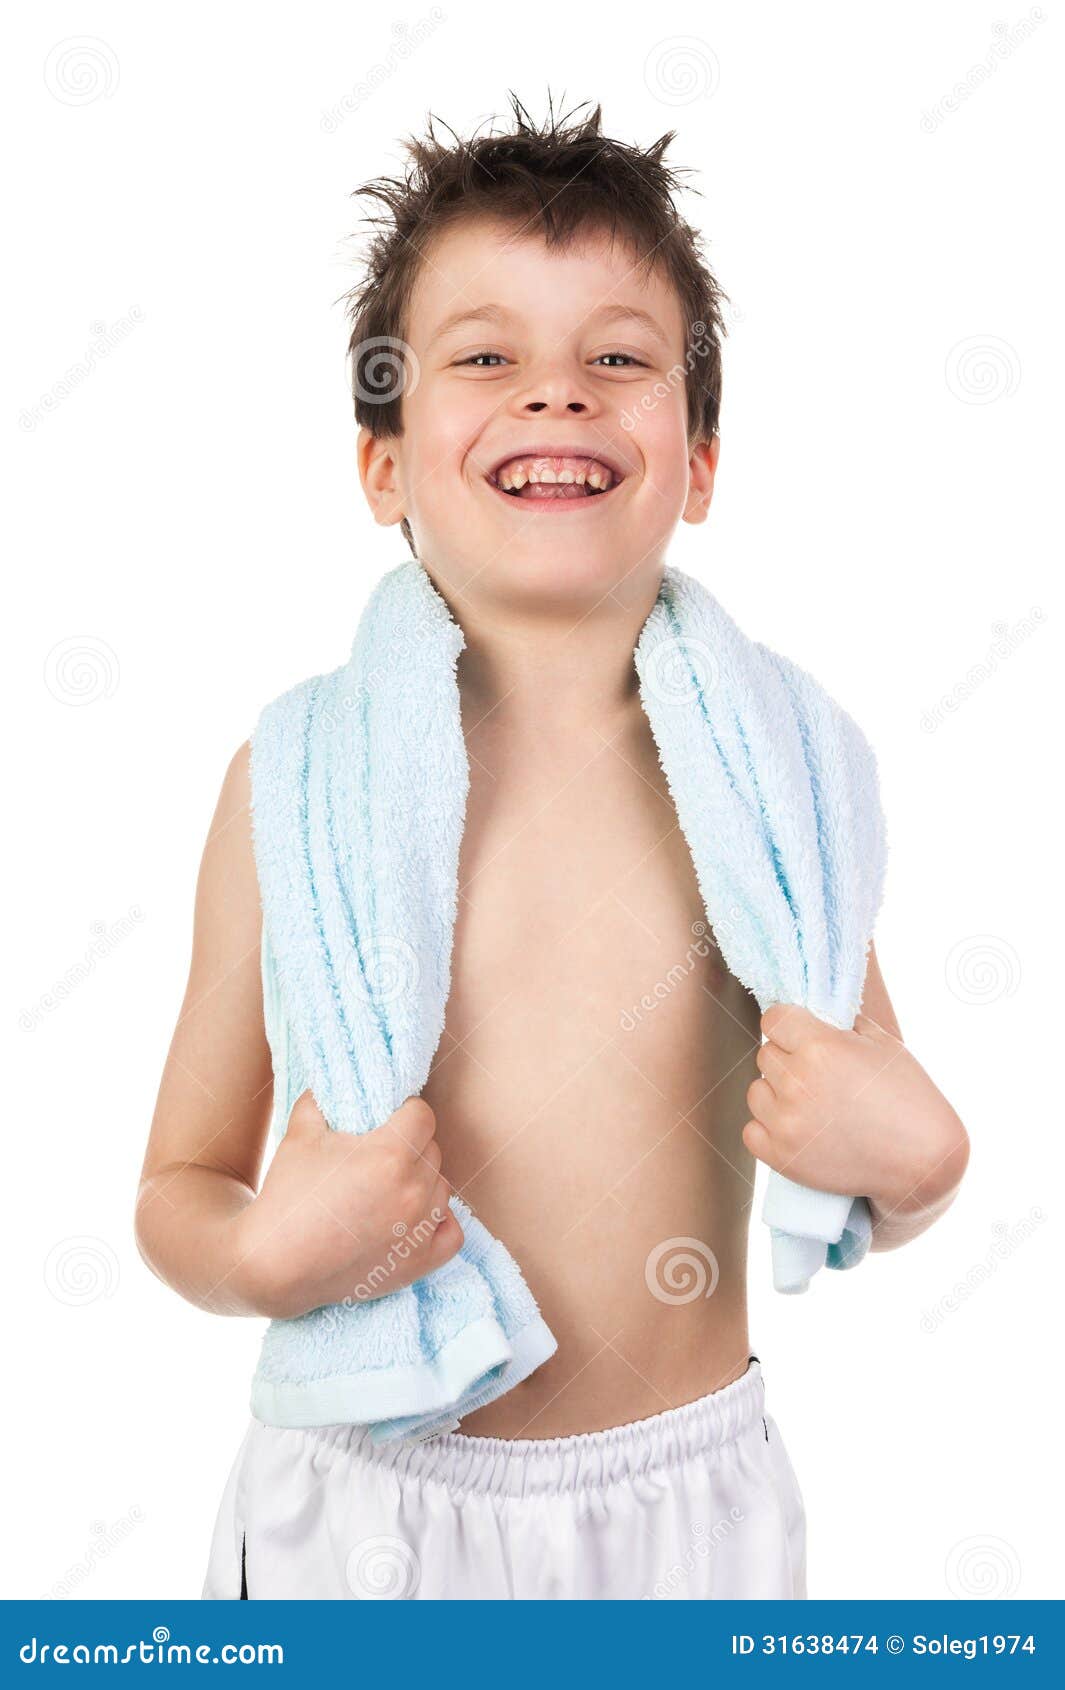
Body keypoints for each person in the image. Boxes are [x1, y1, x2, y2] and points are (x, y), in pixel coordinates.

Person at [134, 94, 970, 1601]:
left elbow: (853, 1107)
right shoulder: (296, 782)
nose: (555, 397)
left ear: (695, 461)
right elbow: (181, 1183)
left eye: (616, 359)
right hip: (373, 1502)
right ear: (384, 466)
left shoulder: (769, 784)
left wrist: (921, 1166)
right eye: (483, 359)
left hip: (682, 1517)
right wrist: (260, 1257)